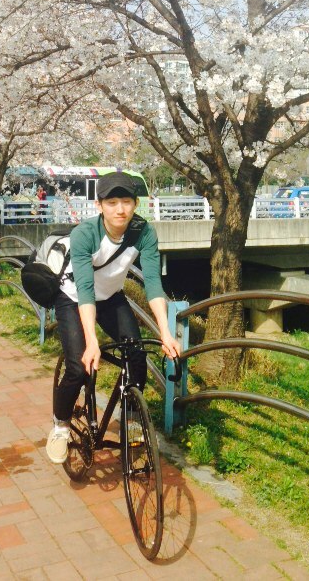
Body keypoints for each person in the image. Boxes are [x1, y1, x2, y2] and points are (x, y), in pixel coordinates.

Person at [46, 171, 181, 464]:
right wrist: (92, 341)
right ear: (99, 205)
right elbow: (84, 289)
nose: (120, 209)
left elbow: (153, 284)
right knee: (79, 367)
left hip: (110, 297)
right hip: (73, 298)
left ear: (135, 204)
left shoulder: (144, 232)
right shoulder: (85, 234)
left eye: (127, 202)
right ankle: (60, 425)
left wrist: (166, 333)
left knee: (136, 355)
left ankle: (130, 417)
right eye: (112, 203)